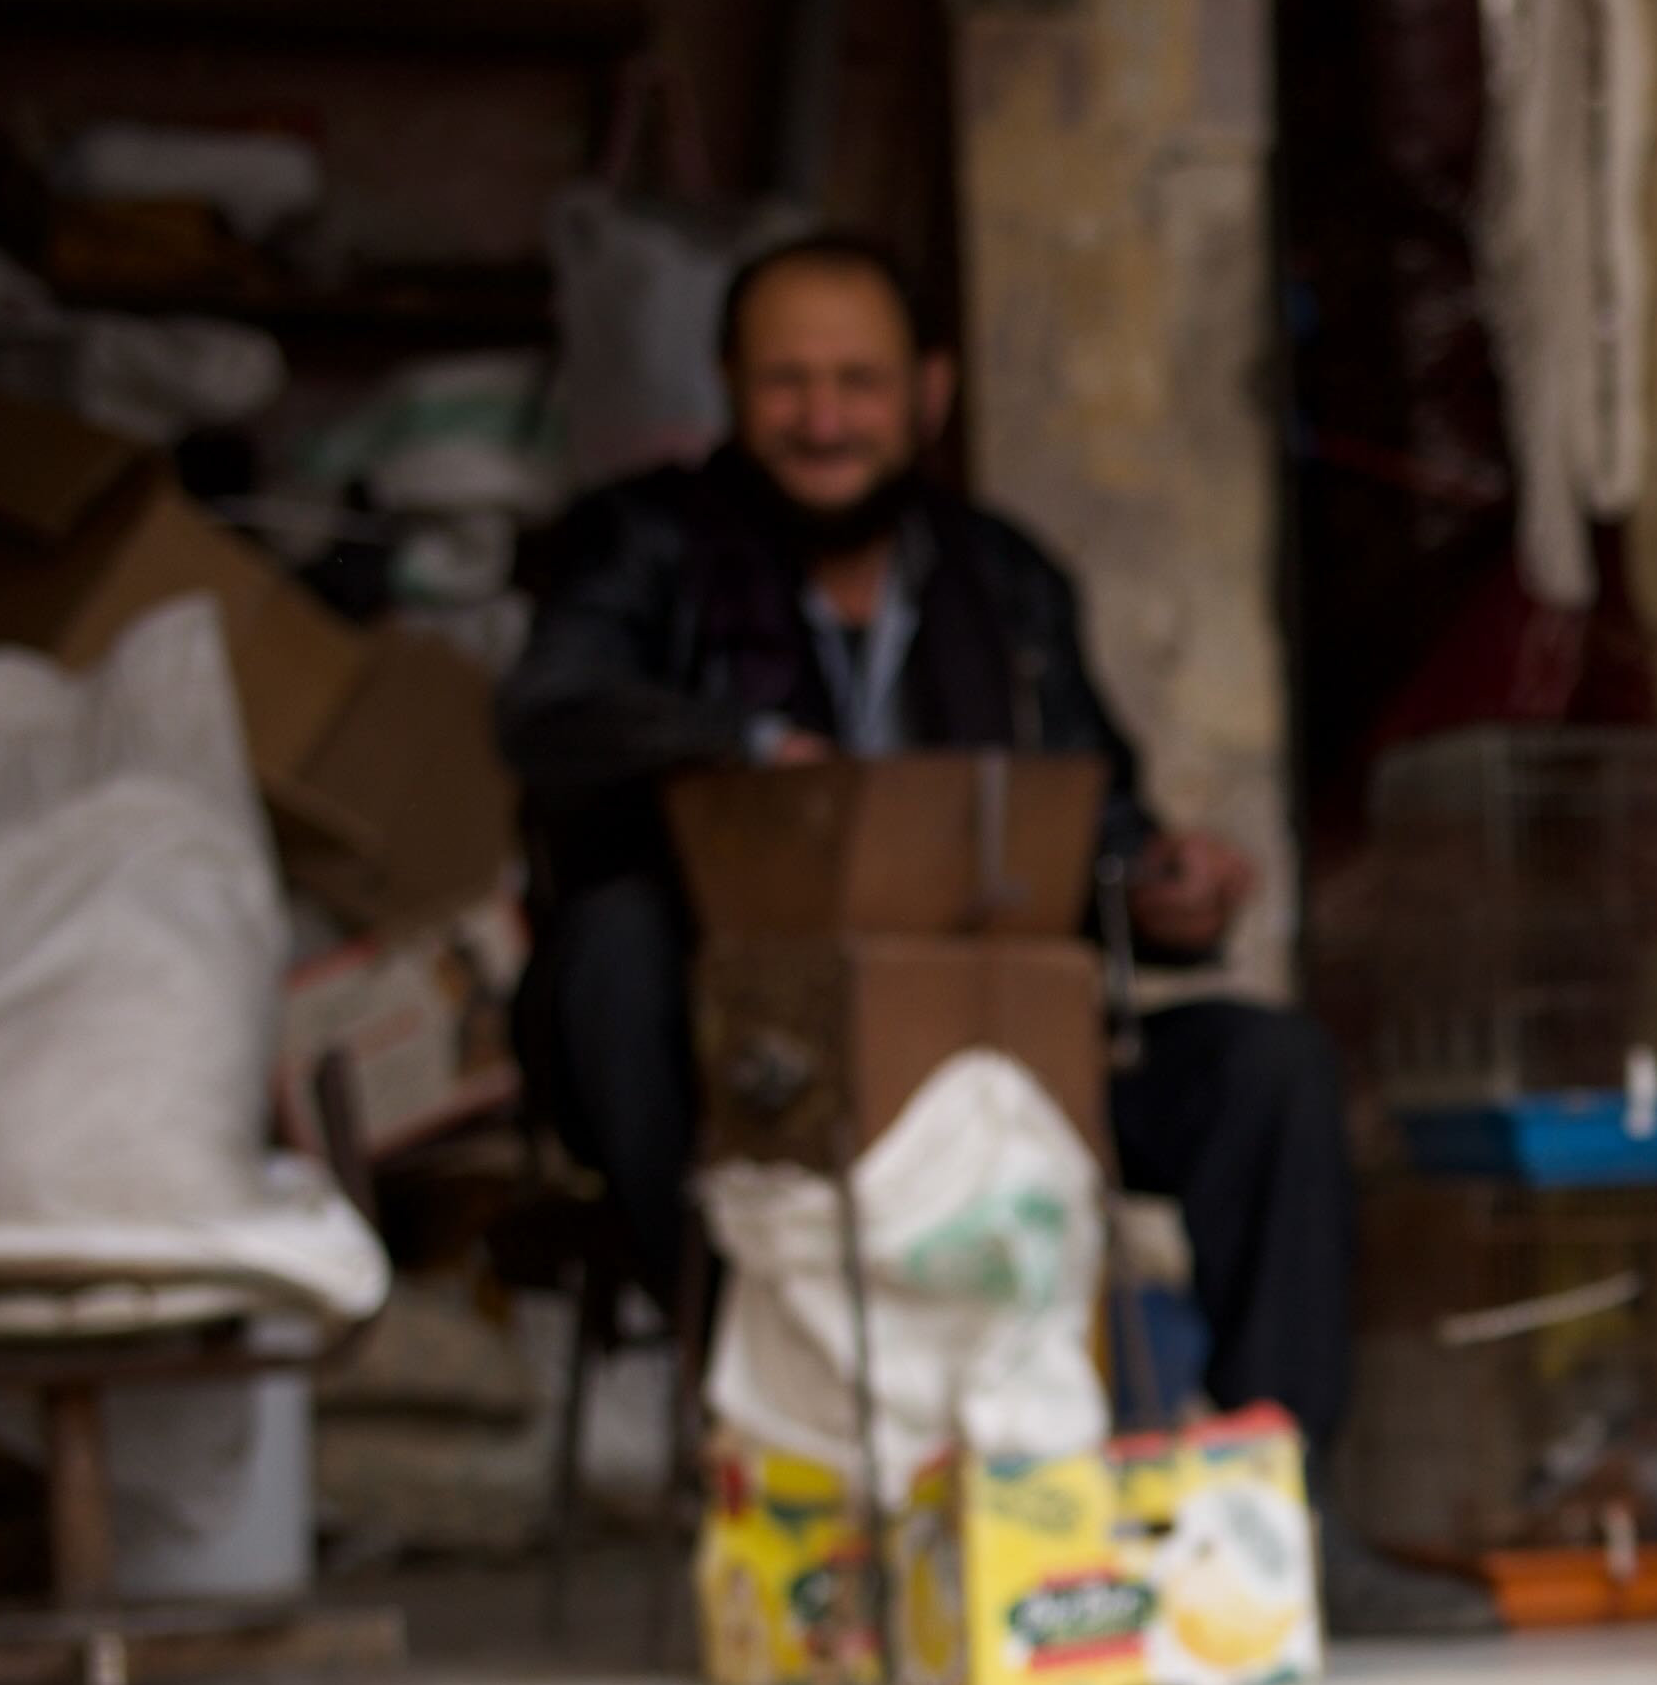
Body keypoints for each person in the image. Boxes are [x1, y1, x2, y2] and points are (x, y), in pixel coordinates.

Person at [498, 229, 1357, 1473]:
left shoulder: (1004, 584)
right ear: (732, 389)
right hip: (741, 1085)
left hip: (988, 1068)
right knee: (614, 947)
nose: (825, 419)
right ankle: (752, 1410)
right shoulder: (641, 548)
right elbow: (546, 712)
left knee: (1269, 1070)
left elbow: (1095, 821)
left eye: (860, 384)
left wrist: (1165, 888)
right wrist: (746, 752)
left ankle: (1280, 1496)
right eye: (789, 384)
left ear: (928, 396)